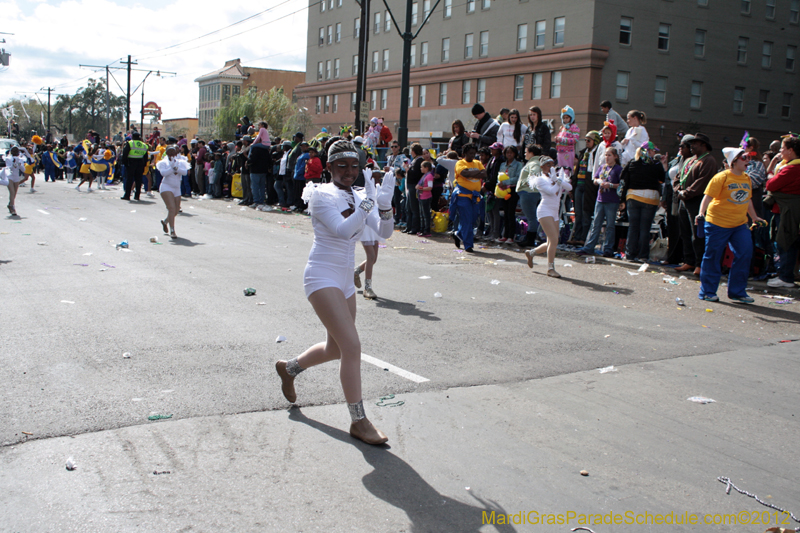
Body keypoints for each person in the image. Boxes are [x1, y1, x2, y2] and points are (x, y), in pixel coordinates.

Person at [274, 140, 396, 446]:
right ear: (329, 167)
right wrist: (368, 202)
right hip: (321, 275)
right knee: (352, 346)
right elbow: (342, 230)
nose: (349, 172)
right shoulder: (321, 195)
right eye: (342, 166)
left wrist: (385, 204)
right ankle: (359, 420)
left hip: (344, 279)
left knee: (338, 348)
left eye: (354, 166)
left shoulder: (358, 194)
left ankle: (289, 369)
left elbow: (383, 233)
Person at [696, 147, 765, 303]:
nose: (749, 161)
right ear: (734, 161)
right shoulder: (721, 177)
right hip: (717, 223)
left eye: (749, 157)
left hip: (739, 224)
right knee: (713, 256)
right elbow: (707, 197)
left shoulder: (747, 178)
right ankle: (707, 291)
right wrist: (701, 213)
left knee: (745, 253)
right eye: (745, 158)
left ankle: (737, 292)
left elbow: (747, 200)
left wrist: (754, 218)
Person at [675, 133, 718, 275]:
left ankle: (700, 264)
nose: (691, 146)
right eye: (691, 143)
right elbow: (678, 177)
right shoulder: (689, 160)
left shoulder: (709, 161)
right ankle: (689, 261)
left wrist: (686, 192)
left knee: (697, 234)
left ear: (703, 145)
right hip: (683, 200)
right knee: (685, 232)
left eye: (695, 143)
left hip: (697, 201)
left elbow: (703, 181)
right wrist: (678, 190)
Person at [619, 141, 667, 263]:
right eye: (653, 150)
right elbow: (662, 179)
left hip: (633, 197)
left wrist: (622, 199)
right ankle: (643, 255)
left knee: (633, 227)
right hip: (650, 199)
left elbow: (624, 179)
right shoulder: (656, 164)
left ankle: (630, 254)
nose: (654, 153)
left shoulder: (632, 163)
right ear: (648, 151)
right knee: (645, 228)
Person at [524, 156, 572, 277]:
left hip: (555, 212)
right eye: (548, 165)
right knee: (554, 239)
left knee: (552, 241)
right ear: (542, 167)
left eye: (552, 164)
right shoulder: (540, 180)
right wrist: (558, 181)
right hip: (544, 211)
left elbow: (570, 187)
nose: (551, 167)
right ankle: (550, 268)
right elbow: (551, 191)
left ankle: (531, 253)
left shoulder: (556, 177)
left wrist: (559, 180)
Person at [765, 135, 800, 288]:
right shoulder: (788, 166)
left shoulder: (793, 168)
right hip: (784, 209)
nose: (780, 152)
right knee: (783, 241)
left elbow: (771, 185)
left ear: (791, 151)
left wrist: (772, 175)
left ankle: (786, 277)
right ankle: (784, 275)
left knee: (785, 242)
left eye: (783, 149)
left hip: (787, 211)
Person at [576, 147, 622, 258]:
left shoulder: (618, 169)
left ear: (615, 156)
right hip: (600, 199)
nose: (607, 157)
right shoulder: (602, 167)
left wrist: (610, 185)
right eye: (606, 155)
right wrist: (598, 181)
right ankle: (589, 247)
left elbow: (621, 185)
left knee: (610, 226)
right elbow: (595, 178)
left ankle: (608, 249)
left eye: (609, 155)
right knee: (596, 224)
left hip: (612, 200)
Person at [569, 131, 601, 245]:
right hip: (579, 185)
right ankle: (576, 236)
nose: (587, 142)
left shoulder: (596, 154)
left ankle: (583, 238)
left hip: (589, 187)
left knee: (586, 212)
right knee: (578, 212)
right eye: (586, 140)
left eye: (589, 140)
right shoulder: (583, 153)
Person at [453, 144, 486, 252]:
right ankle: (468, 245)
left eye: (474, 153)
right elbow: (464, 173)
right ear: (464, 153)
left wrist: (471, 173)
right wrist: (477, 173)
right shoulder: (460, 163)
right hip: (463, 196)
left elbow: (484, 174)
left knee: (473, 219)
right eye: (470, 153)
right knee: (466, 220)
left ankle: (458, 234)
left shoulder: (477, 163)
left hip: (475, 196)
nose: (472, 155)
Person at [156, 146, 191, 239]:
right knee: (171, 208)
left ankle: (165, 221)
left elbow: (184, 172)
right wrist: (172, 168)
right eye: (169, 153)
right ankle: (172, 230)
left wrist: (176, 168)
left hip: (177, 188)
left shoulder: (180, 162)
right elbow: (163, 173)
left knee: (175, 210)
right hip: (166, 186)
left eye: (173, 152)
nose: (172, 155)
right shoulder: (164, 163)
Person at [515, 143, 543, 248]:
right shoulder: (535, 162)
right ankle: (529, 238)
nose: (525, 154)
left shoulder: (534, 163)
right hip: (530, 193)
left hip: (528, 193)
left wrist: (527, 182)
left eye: (526, 152)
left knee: (531, 217)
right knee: (531, 217)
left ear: (531, 153)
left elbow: (535, 174)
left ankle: (530, 239)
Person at [497, 145, 523, 242]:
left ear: (515, 154)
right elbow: (499, 176)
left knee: (511, 213)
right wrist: (500, 184)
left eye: (511, 152)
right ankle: (505, 235)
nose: (509, 154)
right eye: (507, 152)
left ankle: (511, 236)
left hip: (512, 190)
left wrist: (505, 182)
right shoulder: (503, 165)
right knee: (505, 213)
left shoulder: (518, 165)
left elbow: (517, 178)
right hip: (503, 190)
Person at [404, 143, 425, 234]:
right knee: (408, 207)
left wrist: (408, 170)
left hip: (414, 186)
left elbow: (415, 174)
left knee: (414, 208)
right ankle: (409, 226)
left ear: (413, 151)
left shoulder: (419, 161)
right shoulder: (416, 160)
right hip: (410, 186)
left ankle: (414, 227)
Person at [3, 146, 25, 216]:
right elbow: (8, 167)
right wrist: (13, 163)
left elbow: (23, 170)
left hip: (16, 177)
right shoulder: (8, 159)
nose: (15, 153)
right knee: (12, 192)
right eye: (14, 152)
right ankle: (13, 208)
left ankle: (10, 204)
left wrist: (20, 164)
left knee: (14, 193)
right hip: (9, 176)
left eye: (16, 151)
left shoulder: (20, 159)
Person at [415, 160, 435, 237]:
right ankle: (422, 229)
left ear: (426, 168)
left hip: (426, 197)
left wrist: (420, 187)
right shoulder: (425, 175)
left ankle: (427, 230)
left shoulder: (429, 176)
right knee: (422, 214)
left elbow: (430, 187)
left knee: (426, 215)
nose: (421, 169)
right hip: (421, 197)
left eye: (422, 167)